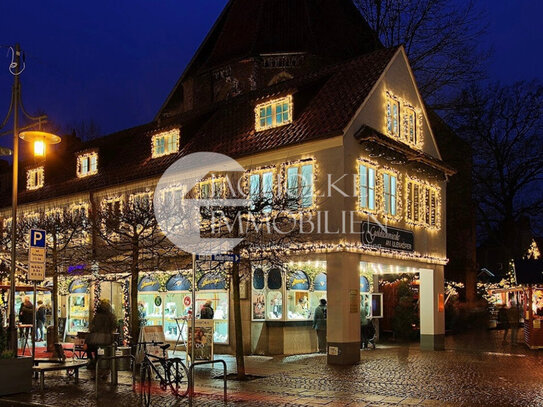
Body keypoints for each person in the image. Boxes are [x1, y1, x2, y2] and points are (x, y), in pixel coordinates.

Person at [86, 299, 117, 380]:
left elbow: (92, 327)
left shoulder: (97, 316)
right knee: (107, 354)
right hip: (107, 339)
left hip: (96, 339)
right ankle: (105, 370)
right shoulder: (111, 316)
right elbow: (114, 327)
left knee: (95, 352)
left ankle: (95, 367)